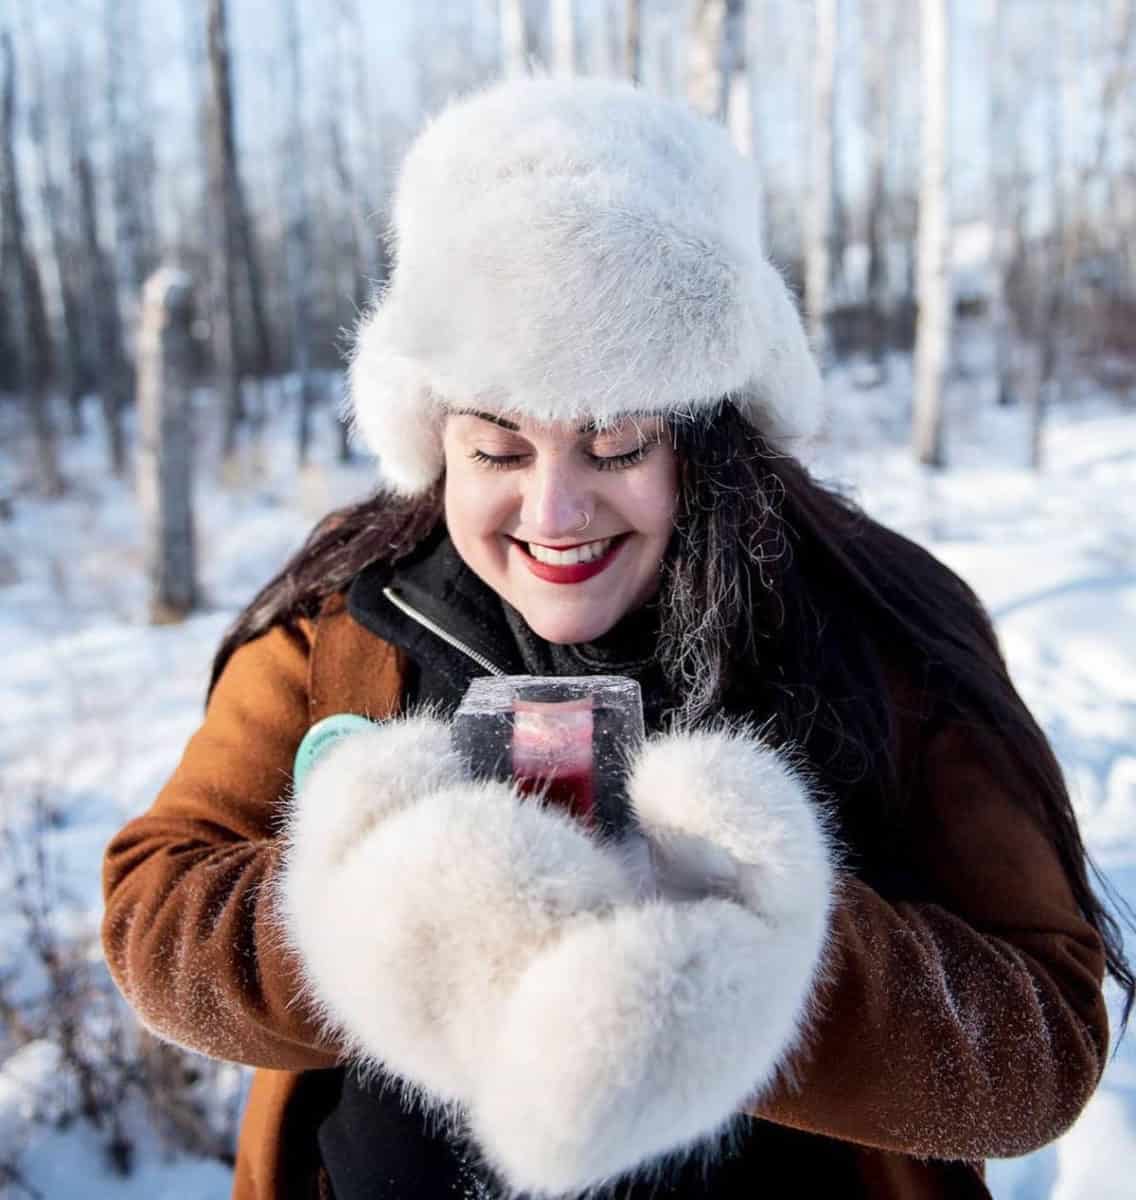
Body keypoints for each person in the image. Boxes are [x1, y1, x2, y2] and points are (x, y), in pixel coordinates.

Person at [102, 78, 1129, 1200]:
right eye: (498, 451)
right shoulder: (342, 628)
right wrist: (376, 913)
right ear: (434, 437)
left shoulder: (873, 632)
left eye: (617, 445)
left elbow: (1039, 1048)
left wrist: (763, 964)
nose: (554, 514)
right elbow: (156, 912)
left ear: (711, 429)